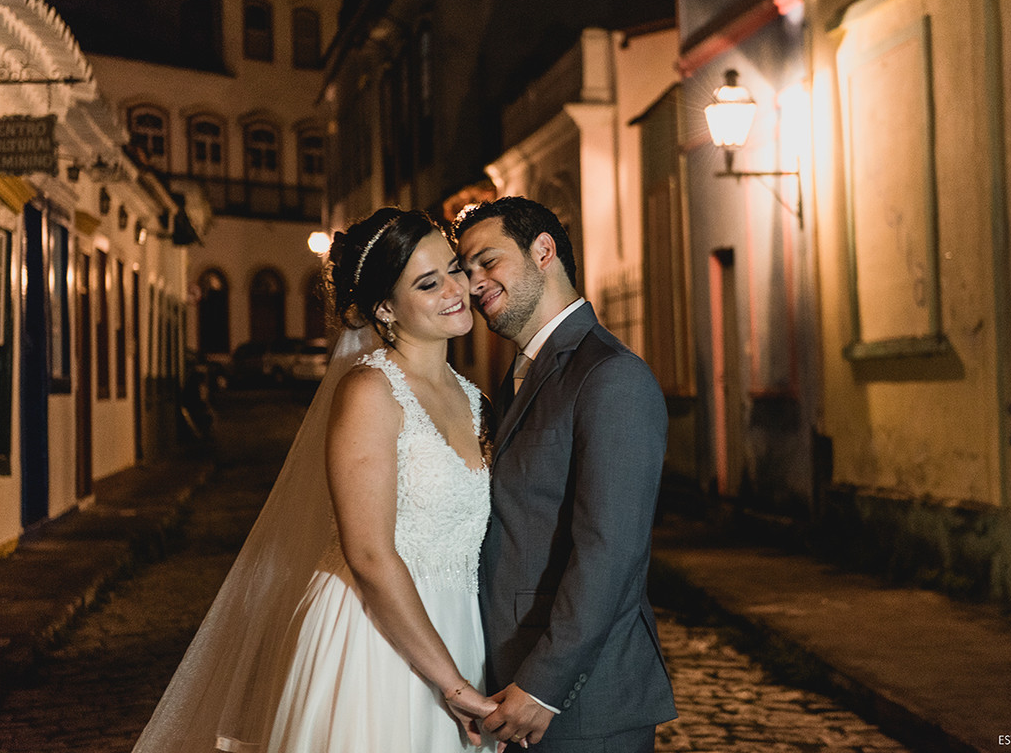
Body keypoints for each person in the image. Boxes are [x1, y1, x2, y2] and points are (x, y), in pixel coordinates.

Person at [132, 208, 497, 753]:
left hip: (459, 629)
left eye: (453, 269)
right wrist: (453, 685)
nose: (455, 289)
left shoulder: (476, 400)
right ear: (384, 308)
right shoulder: (370, 393)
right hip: (375, 643)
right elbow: (369, 556)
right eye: (428, 282)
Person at [456, 196, 678, 753]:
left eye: (487, 261)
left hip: (581, 704)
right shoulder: (519, 377)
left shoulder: (610, 376)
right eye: (466, 270)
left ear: (544, 250)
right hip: (508, 687)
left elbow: (611, 551)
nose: (474, 283)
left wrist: (543, 686)